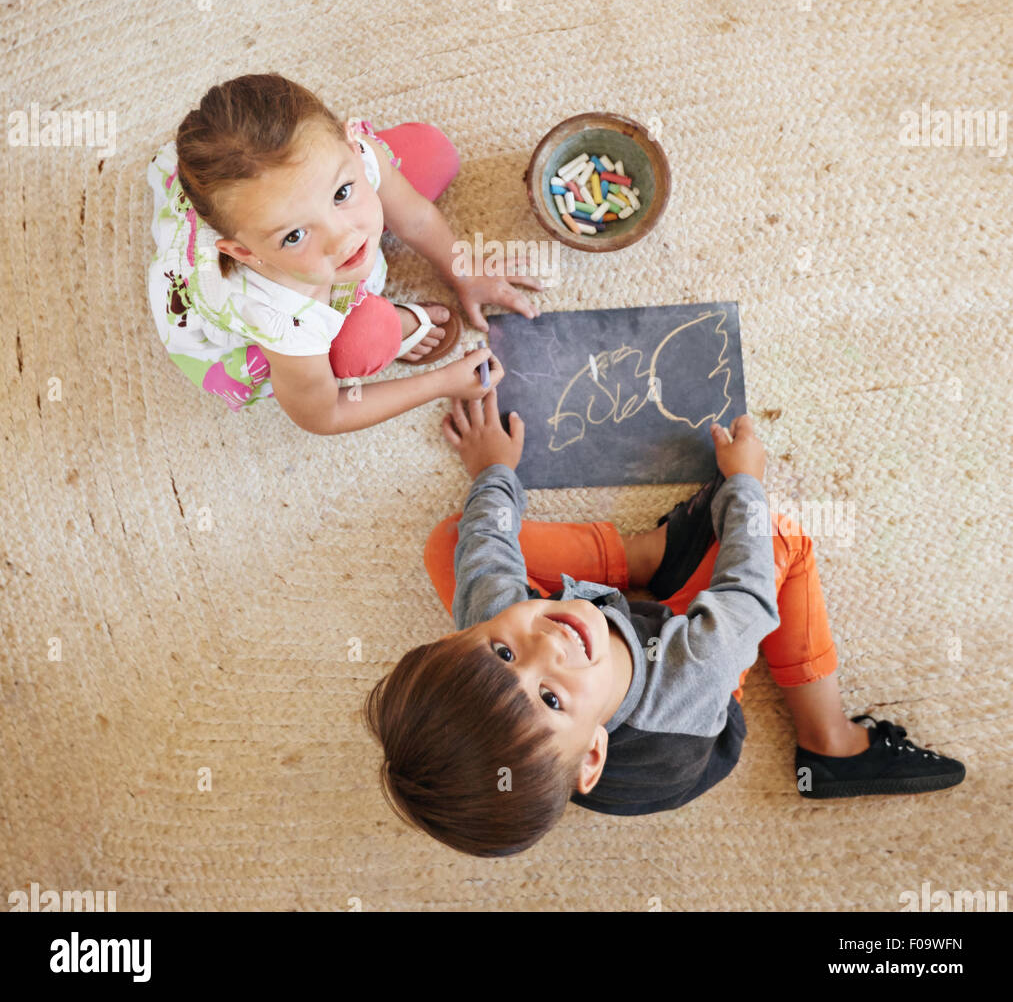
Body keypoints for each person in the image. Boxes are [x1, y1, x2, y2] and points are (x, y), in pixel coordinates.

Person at [363, 393, 965, 857]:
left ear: (456, 638)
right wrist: (745, 482)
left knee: (457, 541)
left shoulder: (494, 621)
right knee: (777, 538)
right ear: (590, 759)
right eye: (549, 697)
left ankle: (648, 558)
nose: (549, 645)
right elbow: (748, 593)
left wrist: (494, 469)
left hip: (616, 681)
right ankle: (830, 740)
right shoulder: (695, 672)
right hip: (692, 716)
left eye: (501, 654)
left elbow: (485, 546)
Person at [145, 73, 541, 429]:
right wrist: (441, 383)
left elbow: (417, 219)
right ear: (246, 253)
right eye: (295, 235)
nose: (341, 238)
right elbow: (323, 414)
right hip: (287, 297)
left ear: (350, 145)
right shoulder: (277, 315)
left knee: (433, 153)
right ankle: (390, 322)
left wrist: (464, 270)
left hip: (291, 214)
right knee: (368, 334)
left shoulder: (351, 157)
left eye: (342, 192)